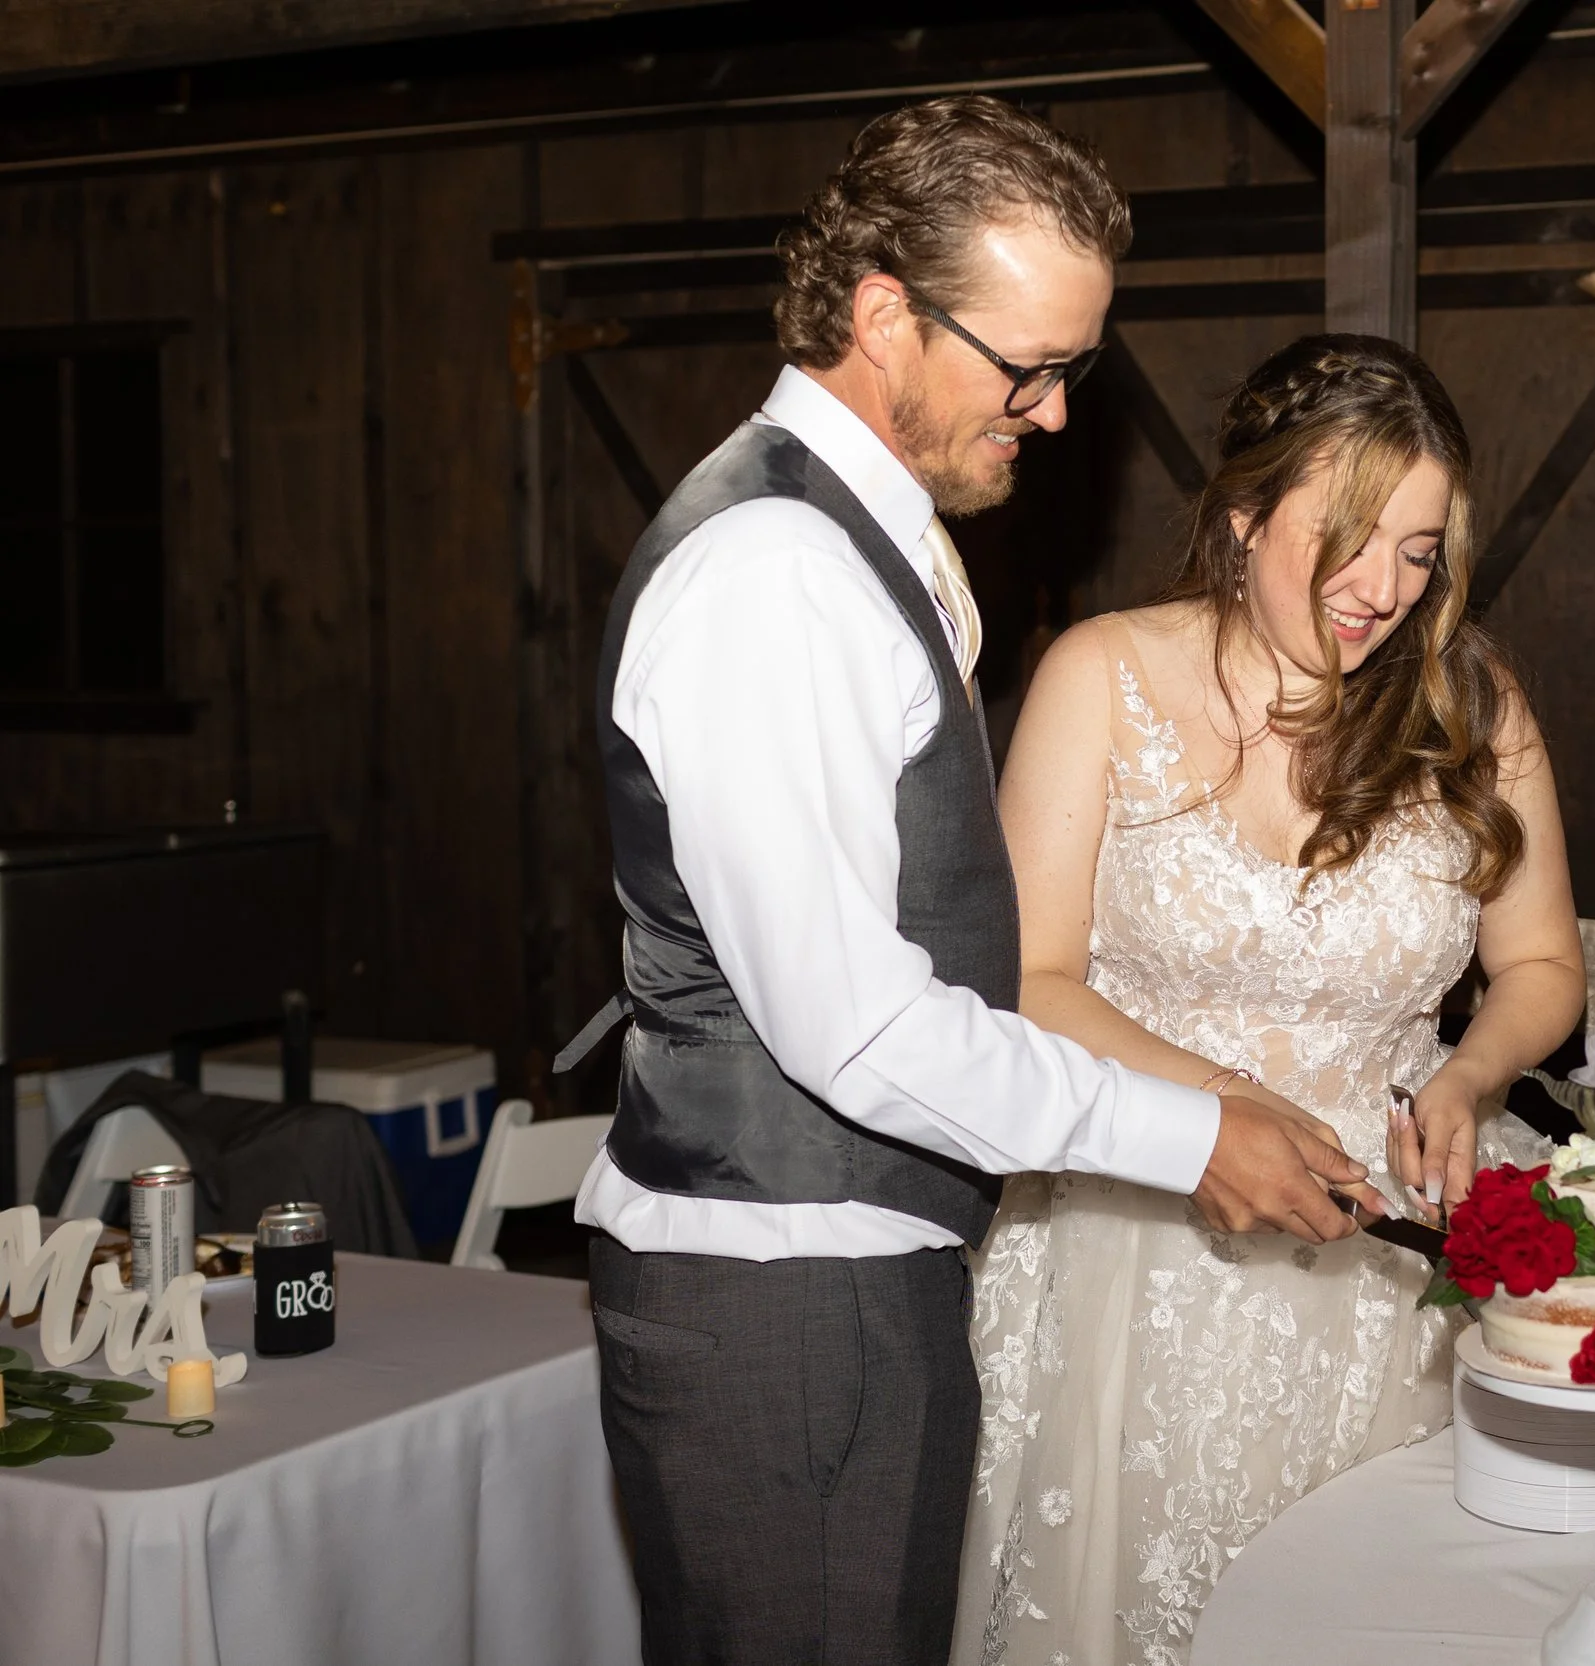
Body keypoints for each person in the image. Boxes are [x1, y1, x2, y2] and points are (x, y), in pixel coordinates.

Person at [563, 98, 1380, 1666]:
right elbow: (857, 1030)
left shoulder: (863, 541)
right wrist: (1189, 1134)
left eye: (1076, 367)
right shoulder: (773, 576)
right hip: (783, 1305)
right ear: (883, 314)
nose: (1060, 414)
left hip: (852, 1280)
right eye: (1032, 368)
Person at [953, 334, 1587, 1666]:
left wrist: (1469, 1079)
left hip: (1396, 1244)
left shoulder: (1472, 699)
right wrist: (1226, 1099)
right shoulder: (1101, 674)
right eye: (1350, 538)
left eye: (1419, 551)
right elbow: (1027, 978)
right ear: (1243, 516)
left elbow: (1540, 969)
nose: (1383, 589)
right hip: (1144, 1235)